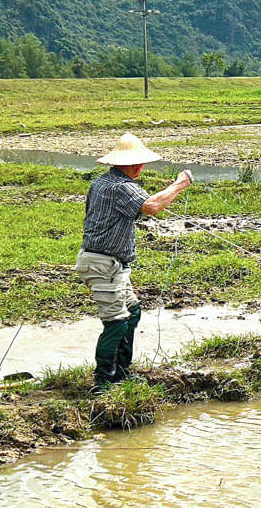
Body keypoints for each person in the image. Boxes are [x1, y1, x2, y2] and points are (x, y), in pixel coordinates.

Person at [75, 133, 192, 393]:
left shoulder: (101, 182)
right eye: (141, 164)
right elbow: (151, 206)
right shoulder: (122, 186)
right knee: (116, 321)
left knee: (133, 311)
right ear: (135, 164)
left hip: (109, 263)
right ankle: (104, 381)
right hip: (103, 263)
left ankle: (122, 372)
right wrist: (179, 184)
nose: (142, 168)